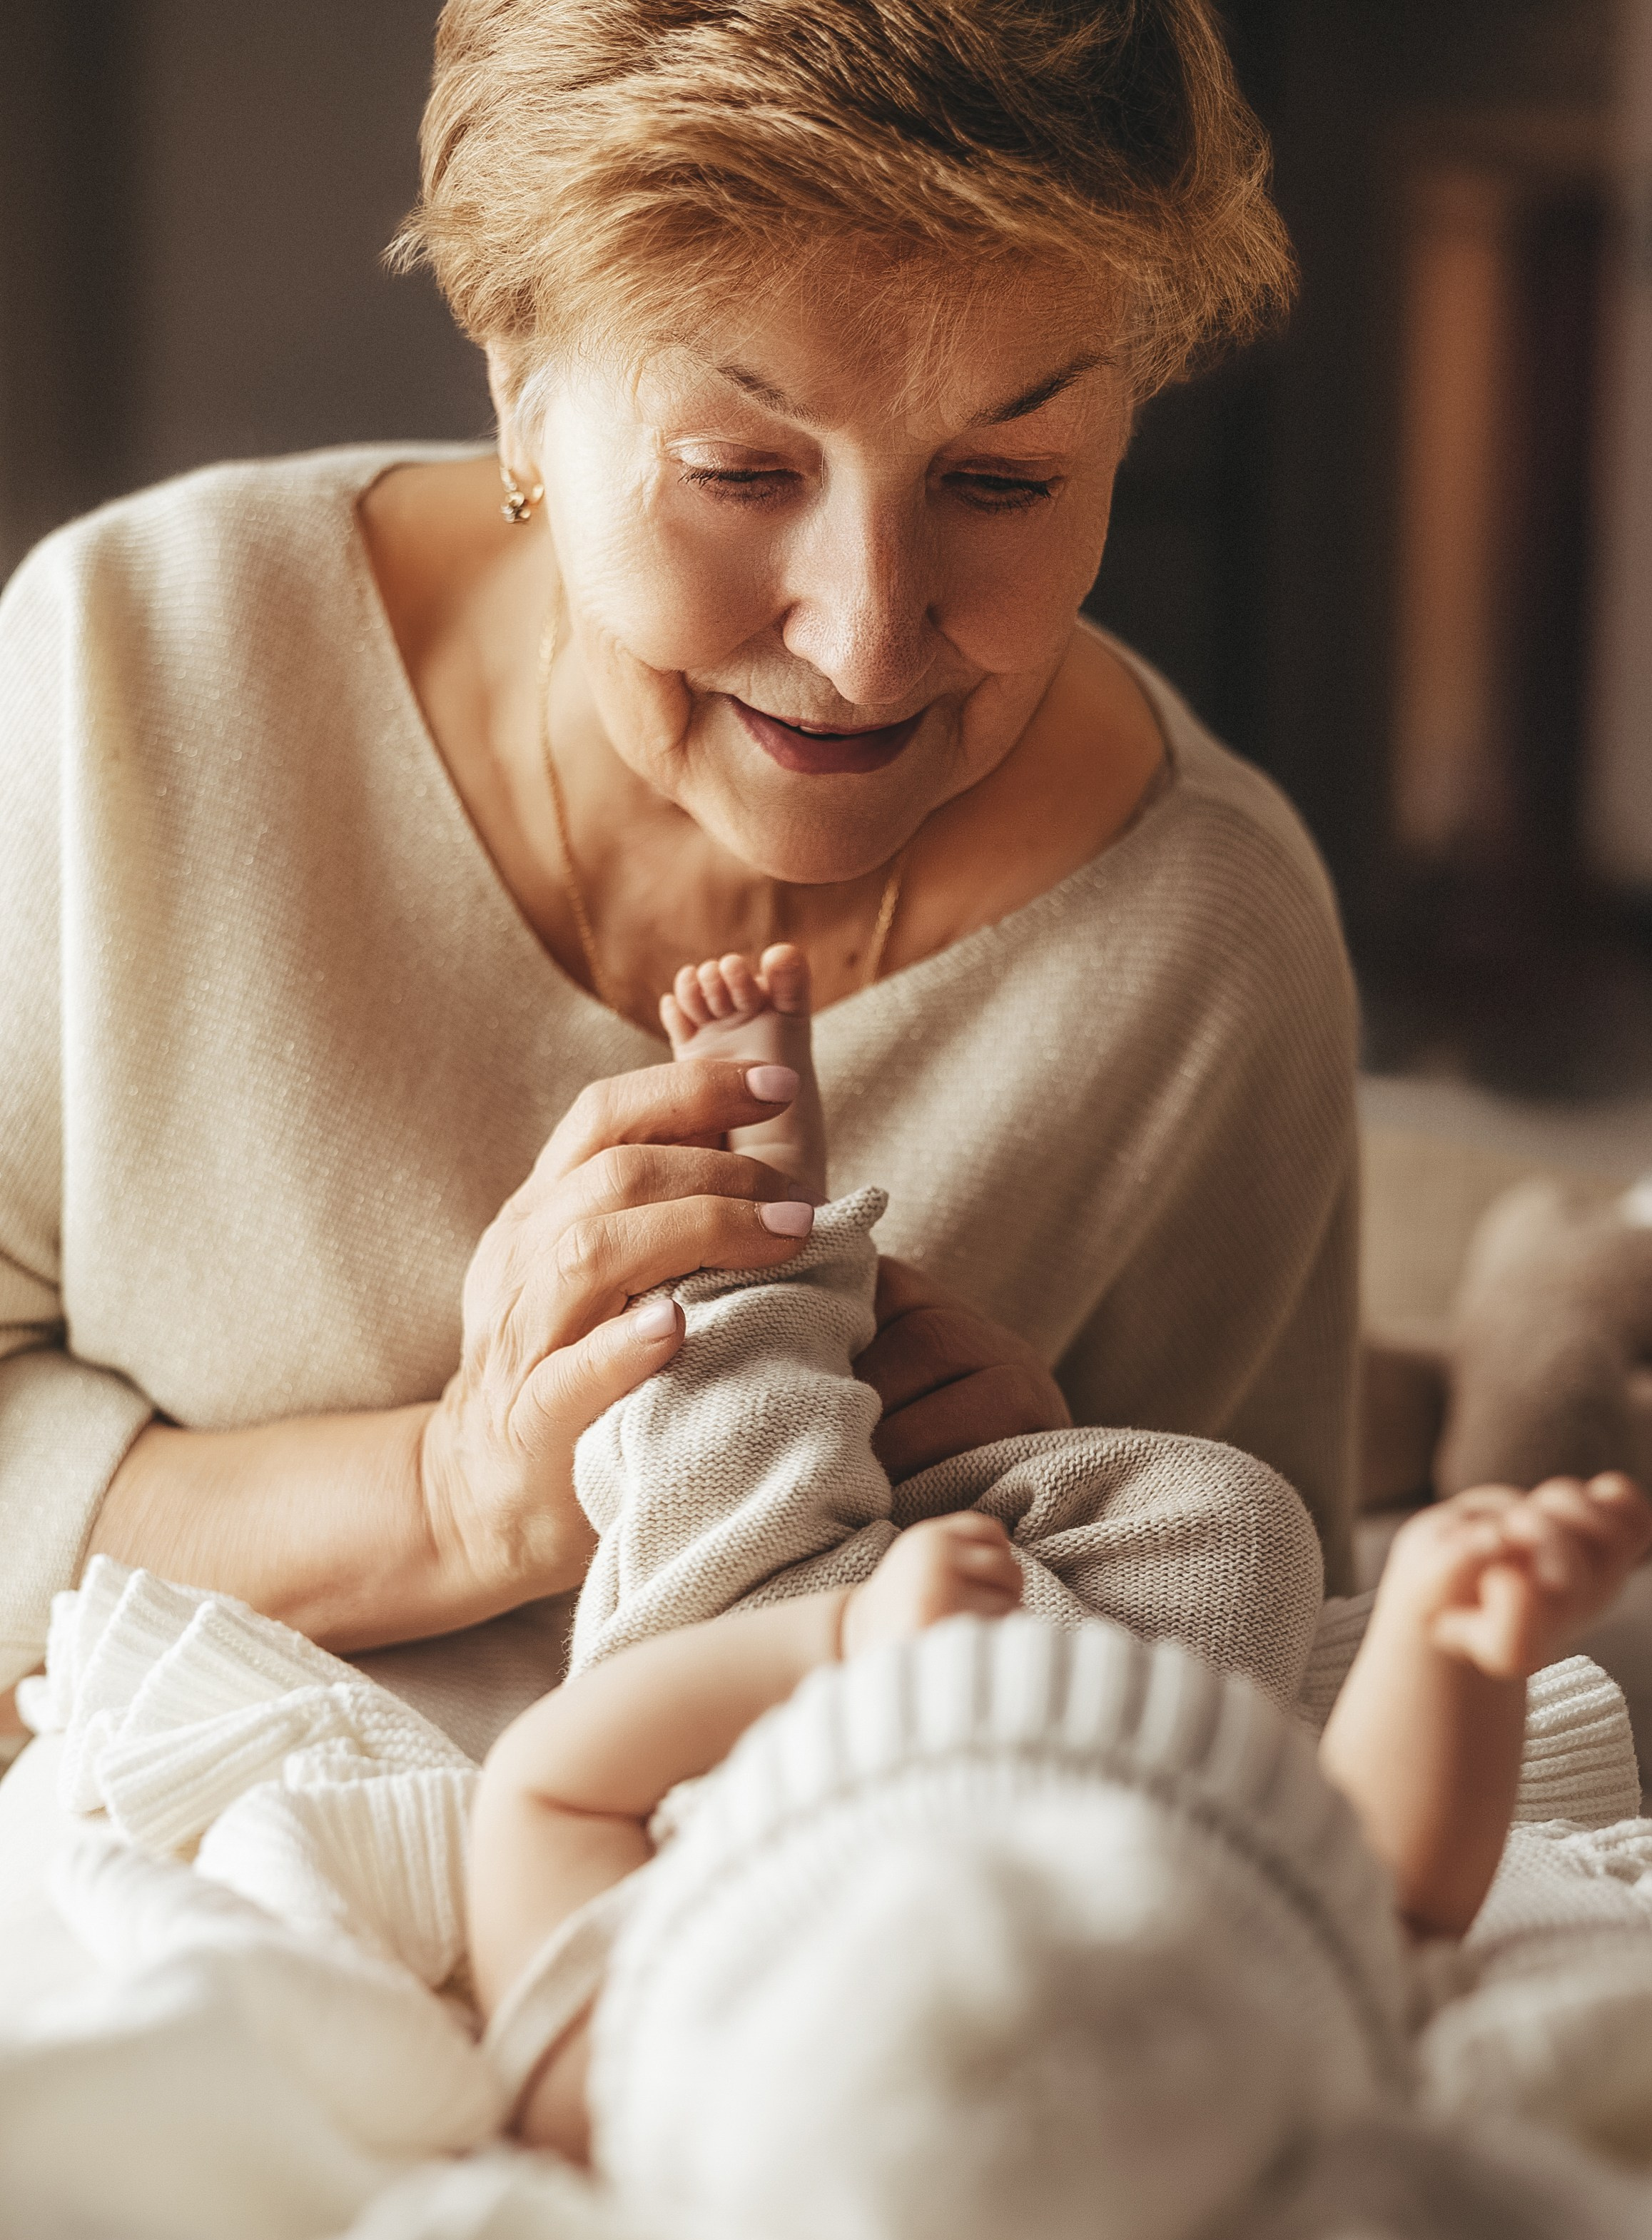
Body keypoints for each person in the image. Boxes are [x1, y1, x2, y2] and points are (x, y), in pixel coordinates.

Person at [0, 0, 1354, 1765]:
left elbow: (1263, 1702)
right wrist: (452, 1495)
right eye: (741, 471)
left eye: (1004, 481)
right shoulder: (135, 669)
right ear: (520, 390)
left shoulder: (1203, 937)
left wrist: (1045, 1470)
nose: (865, 639)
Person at [466, 941, 1652, 2162]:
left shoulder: (653, 2096)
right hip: (1128, 1698)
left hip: (757, 1701)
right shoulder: (1221, 2072)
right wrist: (1450, 1643)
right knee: (1246, 1532)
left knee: (722, 1480)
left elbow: (546, 1786)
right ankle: (977, 1477)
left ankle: (763, 1234)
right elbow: (1392, 1898)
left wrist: (839, 1640)